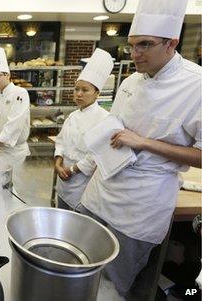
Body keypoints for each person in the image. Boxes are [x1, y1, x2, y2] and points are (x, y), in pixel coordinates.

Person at [79, 0, 201, 299]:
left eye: (144, 45)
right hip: (100, 193)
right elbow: (115, 128)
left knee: (111, 286)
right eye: (132, 45)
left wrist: (144, 142)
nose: (134, 54)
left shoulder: (196, 85)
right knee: (80, 267)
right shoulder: (131, 81)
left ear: (171, 43)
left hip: (139, 209)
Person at [54, 48, 114, 211]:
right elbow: (60, 142)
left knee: (77, 227)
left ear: (97, 93)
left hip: (82, 184)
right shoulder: (72, 116)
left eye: (85, 90)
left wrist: (72, 169)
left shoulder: (103, 119)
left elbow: (96, 155)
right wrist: (58, 164)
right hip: (63, 181)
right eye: (76, 89)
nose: (79, 94)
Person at [0, 47, 30, 191]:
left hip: (14, 151)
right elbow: (0, 121)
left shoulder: (20, 93)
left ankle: (14, 212)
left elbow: (14, 123)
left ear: (7, 74)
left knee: (12, 187)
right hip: (1, 149)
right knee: (0, 186)